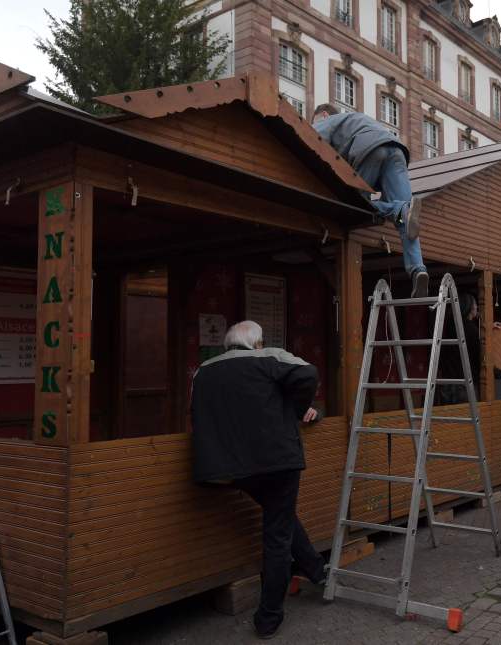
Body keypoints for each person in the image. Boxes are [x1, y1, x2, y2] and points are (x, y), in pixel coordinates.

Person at [191, 320, 326, 639]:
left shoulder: (203, 371)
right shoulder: (269, 357)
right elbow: (309, 373)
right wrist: (297, 407)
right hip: (276, 461)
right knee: (277, 535)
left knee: (280, 517)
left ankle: (316, 570)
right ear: (257, 342)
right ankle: (268, 617)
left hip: (229, 469)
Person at [312, 103, 428, 298]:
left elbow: (313, 140)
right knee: (406, 220)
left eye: (313, 121)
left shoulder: (330, 120)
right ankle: (418, 269)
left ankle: (398, 211)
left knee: (357, 205)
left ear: (323, 115)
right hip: (397, 151)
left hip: (370, 149)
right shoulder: (362, 119)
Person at [435, 292, 501, 405]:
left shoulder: (449, 325)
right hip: (464, 387)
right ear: (470, 308)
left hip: (447, 385)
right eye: (475, 304)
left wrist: (487, 327)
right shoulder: (471, 331)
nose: (477, 307)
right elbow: (481, 361)